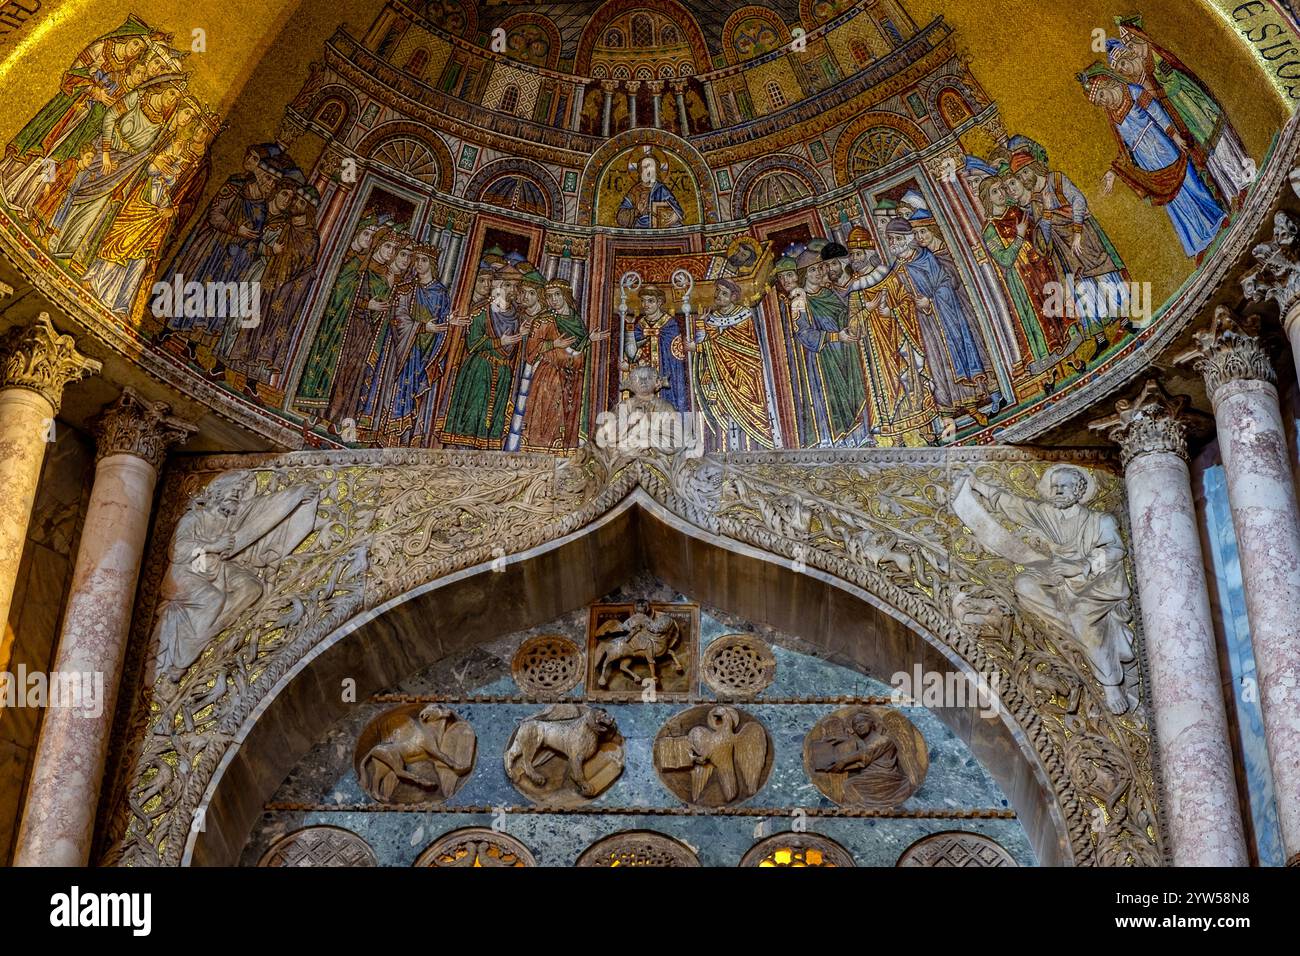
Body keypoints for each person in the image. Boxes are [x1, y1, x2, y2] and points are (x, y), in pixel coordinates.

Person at [957, 464, 1135, 714]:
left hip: (1097, 582)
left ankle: (1111, 682)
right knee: (1024, 584)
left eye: (1064, 486)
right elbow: (1014, 506)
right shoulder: (1047, 514)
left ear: (1079, 490)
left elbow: (1115, 550)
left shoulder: (1099, 520)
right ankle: (1076, 633)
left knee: (1082, 613)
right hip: (1060, 576)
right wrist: (978, 485)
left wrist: (1081, 566)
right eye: (1055, 487)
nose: (1058, 491)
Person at [1081, 66, 1227, 261]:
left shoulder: (1132, 92)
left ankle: (1217, 218)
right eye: (1098, 102)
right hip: (1146, 160)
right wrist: (1112, 173)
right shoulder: (1112, 117)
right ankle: (1199, 242)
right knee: (1172, 200)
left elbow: (1158, 113)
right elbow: (1124, 148)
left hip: (1161, 143)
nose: (1102, 101)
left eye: (1100, 95)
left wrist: (1175, 136)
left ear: (1107, 83)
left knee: (1188, 181)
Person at [440, 262, 526, 448]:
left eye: (514, 286)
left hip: (503, 372)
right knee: (472, 411)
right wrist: (499, 342)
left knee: (494, 415)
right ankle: (462, 449)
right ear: (499, 286)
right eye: (508, 285)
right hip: (479, 370)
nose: (512, 290)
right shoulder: (482, 311)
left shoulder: (517, 316)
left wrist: (523, 336)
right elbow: (473, 343)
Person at [517, 279, 605, 451]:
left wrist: (589, 339)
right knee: (548, 417)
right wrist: (553, 345)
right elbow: (530, 352)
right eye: (549, 296)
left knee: (569, 419)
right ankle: (540, 453)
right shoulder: (543, 321)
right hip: (550, 376)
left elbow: (579, 347)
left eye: (557, 295)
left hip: (574, 378)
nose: (553, 300)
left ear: (565, 295)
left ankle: (566, 451)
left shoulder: (577, 321)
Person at [690, 277, 773, 450]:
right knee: (725, 413)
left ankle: (756, 447)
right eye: (718, 291)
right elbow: (702, 345)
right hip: (720, 375)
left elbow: (749, 347)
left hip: (745, 373)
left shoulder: (744, 316)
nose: (719, 295)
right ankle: (728, 447)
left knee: (750, 410)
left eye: (724, 293)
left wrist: (705, 344)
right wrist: (700, 324)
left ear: (734, 297)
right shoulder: (712, 319)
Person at [623, 283, 690, 412]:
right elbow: (631, 355)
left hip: (664, 376)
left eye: (650, 301)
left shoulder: (670, 324)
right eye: (643, 301)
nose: (645, 305)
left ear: (659, 302)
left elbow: (676, 358)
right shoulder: (639, 325)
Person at [616, 150, 684, 228]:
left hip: (660, 229)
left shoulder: (661, 189)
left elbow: (677, 209)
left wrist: (676, 215)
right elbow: (620, 217)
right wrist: (636, 212)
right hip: (639, 229)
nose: (648, 170)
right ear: (640, 170)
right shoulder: (635, 191)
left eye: (651, 167)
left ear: (656, 171)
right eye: (645, 167)